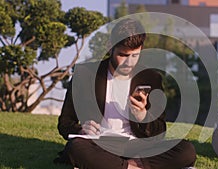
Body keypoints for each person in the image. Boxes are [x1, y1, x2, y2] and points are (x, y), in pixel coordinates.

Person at [55, 18, 196, 169]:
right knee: (76, 148)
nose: (129, 63)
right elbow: (64, 124)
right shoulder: (85, 75)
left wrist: (142, 115)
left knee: (186, 150)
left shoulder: (151, 78)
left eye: (135, 55)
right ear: (110, 47)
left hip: (138, 147)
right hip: (99, 145)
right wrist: (81, 129)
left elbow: (159, 131)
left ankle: (123, 166)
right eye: (123, 55)